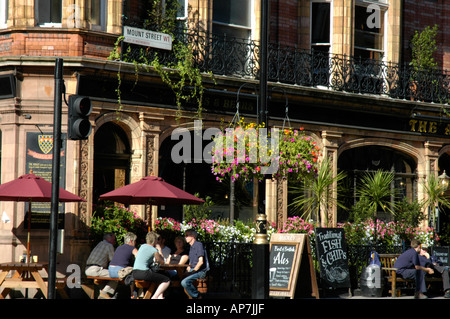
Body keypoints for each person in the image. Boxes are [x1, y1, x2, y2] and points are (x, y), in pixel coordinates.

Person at [132, 231, 170, 299]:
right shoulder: (153, 250)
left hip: (135, 272)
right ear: (155, 240)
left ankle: (160, 297)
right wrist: (159, 249)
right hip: (143, 273)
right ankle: (155, 297)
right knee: (166, 280)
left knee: (158, 277)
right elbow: (162, 262)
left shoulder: (142, 246)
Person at [85, 233, 116, 299]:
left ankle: (101, 293)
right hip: (96, 270)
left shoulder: (99, 244)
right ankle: (104, 293)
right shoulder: (109, 245)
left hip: (87, 269)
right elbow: (113, 261)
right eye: (113, 239)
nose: (114, 242)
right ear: (109, 239)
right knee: (117, 275)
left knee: (103, 277)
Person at [181, 229, 209, 299]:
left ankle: (197, 296)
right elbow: (191, 262)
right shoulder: (191, 247)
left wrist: (192, 272)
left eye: (187, 235)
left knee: (184, 282)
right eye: (185, 235)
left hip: (200, 271)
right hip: (193, 269)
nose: (185, 237)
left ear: (193, 236)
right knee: (179, 278)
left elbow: (201, 261)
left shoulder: (198, 245)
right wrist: (188, 270)